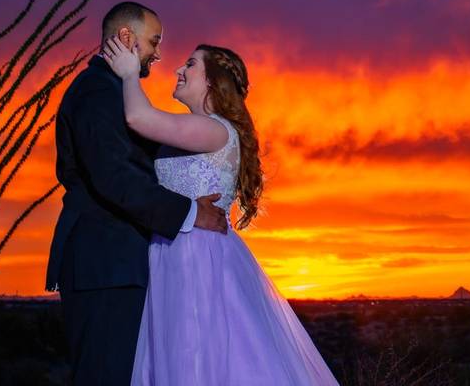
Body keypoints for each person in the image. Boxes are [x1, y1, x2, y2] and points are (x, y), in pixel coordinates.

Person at [101, 36, 340, 385]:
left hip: (196, 259)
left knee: (197, 356)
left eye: (191, 64)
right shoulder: (189, 131)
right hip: (174, 252)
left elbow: (138, 117)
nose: (179, 70)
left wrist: (127, 74)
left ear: (212, 81)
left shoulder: (214, 129)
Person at [45, 2, 228, 386]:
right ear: (126, 38)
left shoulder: (114, 91)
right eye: (154, 41)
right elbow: (114, 177)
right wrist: (189, 214)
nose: (159, 54)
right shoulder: (97, 92)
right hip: (105, 262)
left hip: (118, 261)